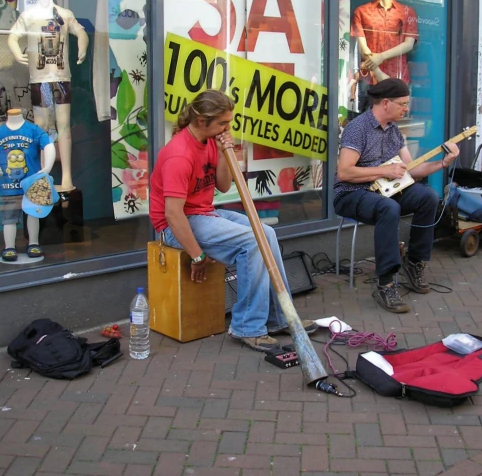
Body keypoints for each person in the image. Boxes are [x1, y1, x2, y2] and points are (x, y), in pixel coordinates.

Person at [149, 90, 316, 353]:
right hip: (176, 225)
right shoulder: (179, 154)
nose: (228, 128)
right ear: (202, 120)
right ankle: (247, 327)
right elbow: (172, 213)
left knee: (267, 234)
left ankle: (279, 318)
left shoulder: (210, 142)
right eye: (223, 123)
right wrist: (196, 256)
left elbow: (223, 184)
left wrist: (228, 152)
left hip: (205, 213)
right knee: (252, 242)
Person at [334, 78, 459, 313]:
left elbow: (412, 171)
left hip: (385, 190)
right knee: (388, 208)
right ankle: (386, 283)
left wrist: (442, 162)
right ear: (385, 103)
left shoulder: (394, 132)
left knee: (428, 197)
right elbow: (344, 172)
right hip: (352, 194)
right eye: (402, 104)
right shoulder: (357, 128)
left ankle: (414, 262)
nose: (406, 109)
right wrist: (385, 170)